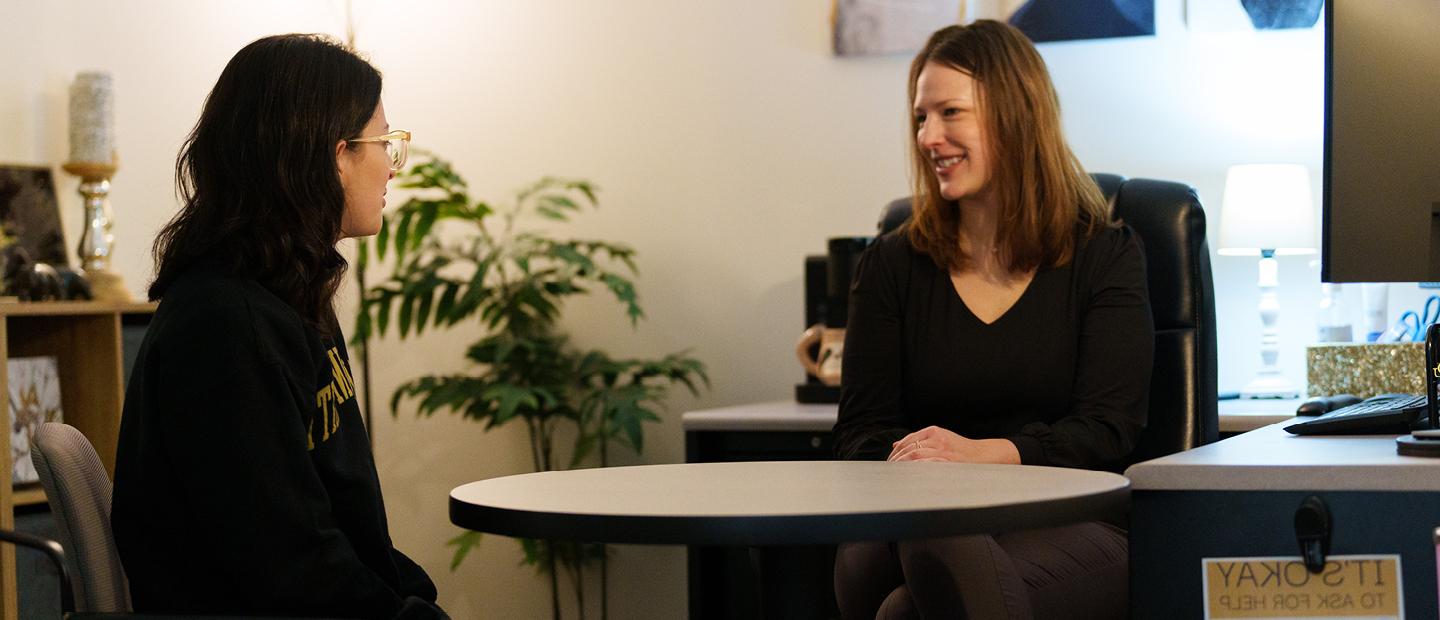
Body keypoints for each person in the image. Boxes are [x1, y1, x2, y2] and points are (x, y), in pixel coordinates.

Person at [111, 34, 445, 619]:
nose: (392, 166)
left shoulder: (290, 299)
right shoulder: (226, 328)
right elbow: (292, 568)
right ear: (333, 154)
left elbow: (337, 526)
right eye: (382, 143)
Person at [831, 21, 1153, 620]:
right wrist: (926, 469)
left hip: (1071, 521)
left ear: (1014, 113)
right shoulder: (889, 264)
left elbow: (1107, 430)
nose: (929, 137)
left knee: (924, 557)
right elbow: (861, 434)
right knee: (890, 553)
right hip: (919, 521)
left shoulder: (1106, 254)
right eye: (920, 118)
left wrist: (978, 458)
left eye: (950, 112)